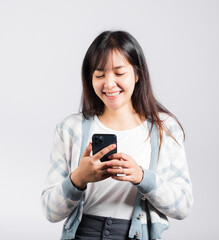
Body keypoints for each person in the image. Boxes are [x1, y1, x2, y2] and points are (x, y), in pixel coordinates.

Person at [41, 30, 193, 240]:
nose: (109, 84)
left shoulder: (164, 128)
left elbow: (183, 206)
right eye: (100, 75)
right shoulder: (69, 128)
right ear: (90, 78)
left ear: (137, 74)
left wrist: (142, 177)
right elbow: (50, 211)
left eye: (119, 73)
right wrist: (79, 178)